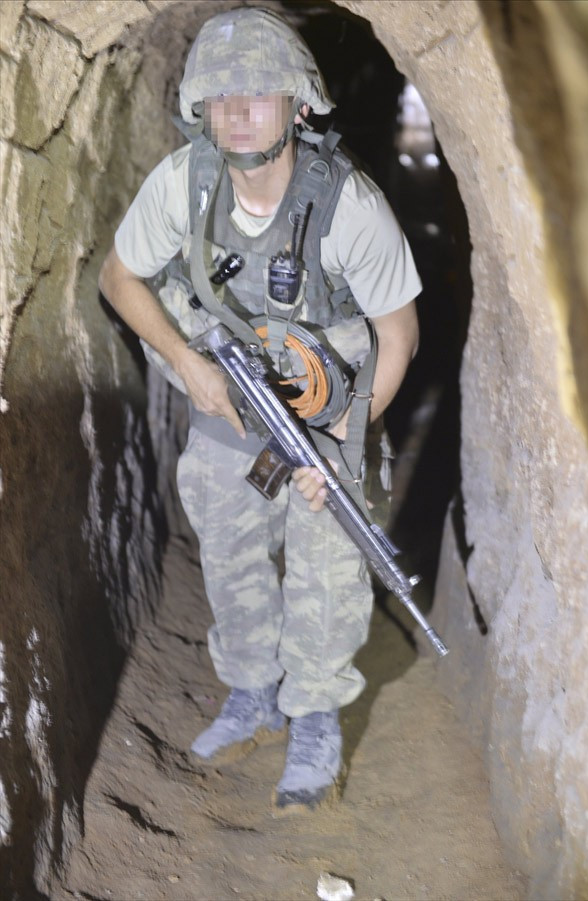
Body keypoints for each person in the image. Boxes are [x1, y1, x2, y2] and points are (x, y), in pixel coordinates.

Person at [99, 7, 421, 813]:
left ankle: (313, 712)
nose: (239, 112)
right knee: (224, 518)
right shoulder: (185, 182)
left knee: (330, 544)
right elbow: (118, 277)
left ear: (298, 105)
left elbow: (398, 333)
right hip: (233, 400)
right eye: (222, 97)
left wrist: (348, 443)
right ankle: (251, 691)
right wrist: (187, 365)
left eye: (260, 95)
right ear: (200, 111)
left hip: (332, 404)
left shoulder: (349, 205)